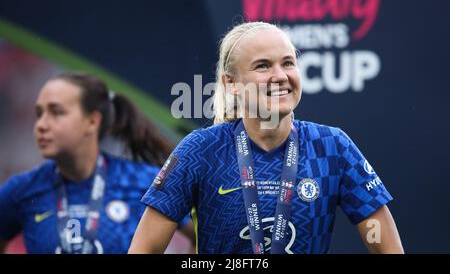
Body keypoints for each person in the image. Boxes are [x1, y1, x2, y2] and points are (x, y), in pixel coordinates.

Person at [129, 21, 404, 254]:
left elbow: (387, 247)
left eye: (288, 63)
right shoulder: (201, 150)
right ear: (231, 84)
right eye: (263, 66)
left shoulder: (332, 147)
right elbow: (144, 249)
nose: (280, 76)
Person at [0, 72, 194, 254]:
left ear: (92, 121)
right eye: (39, 113)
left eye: (56, 112)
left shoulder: (143, 181)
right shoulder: (22, 190)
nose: (41, 125)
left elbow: (204, 235)